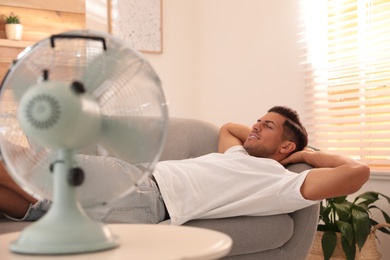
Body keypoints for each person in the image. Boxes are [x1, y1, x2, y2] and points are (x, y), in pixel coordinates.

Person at [0, 106, 370, 225]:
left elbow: (357, 172)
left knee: (20, 162)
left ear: (286, 145)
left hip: (145, 193)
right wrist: (263, 134)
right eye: (258, 121)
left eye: (267, 125)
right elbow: (228, 129)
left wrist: (304, 155)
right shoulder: (239, 155)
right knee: (31, 202)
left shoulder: (280, 183)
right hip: (138, 184)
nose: (254, 126)